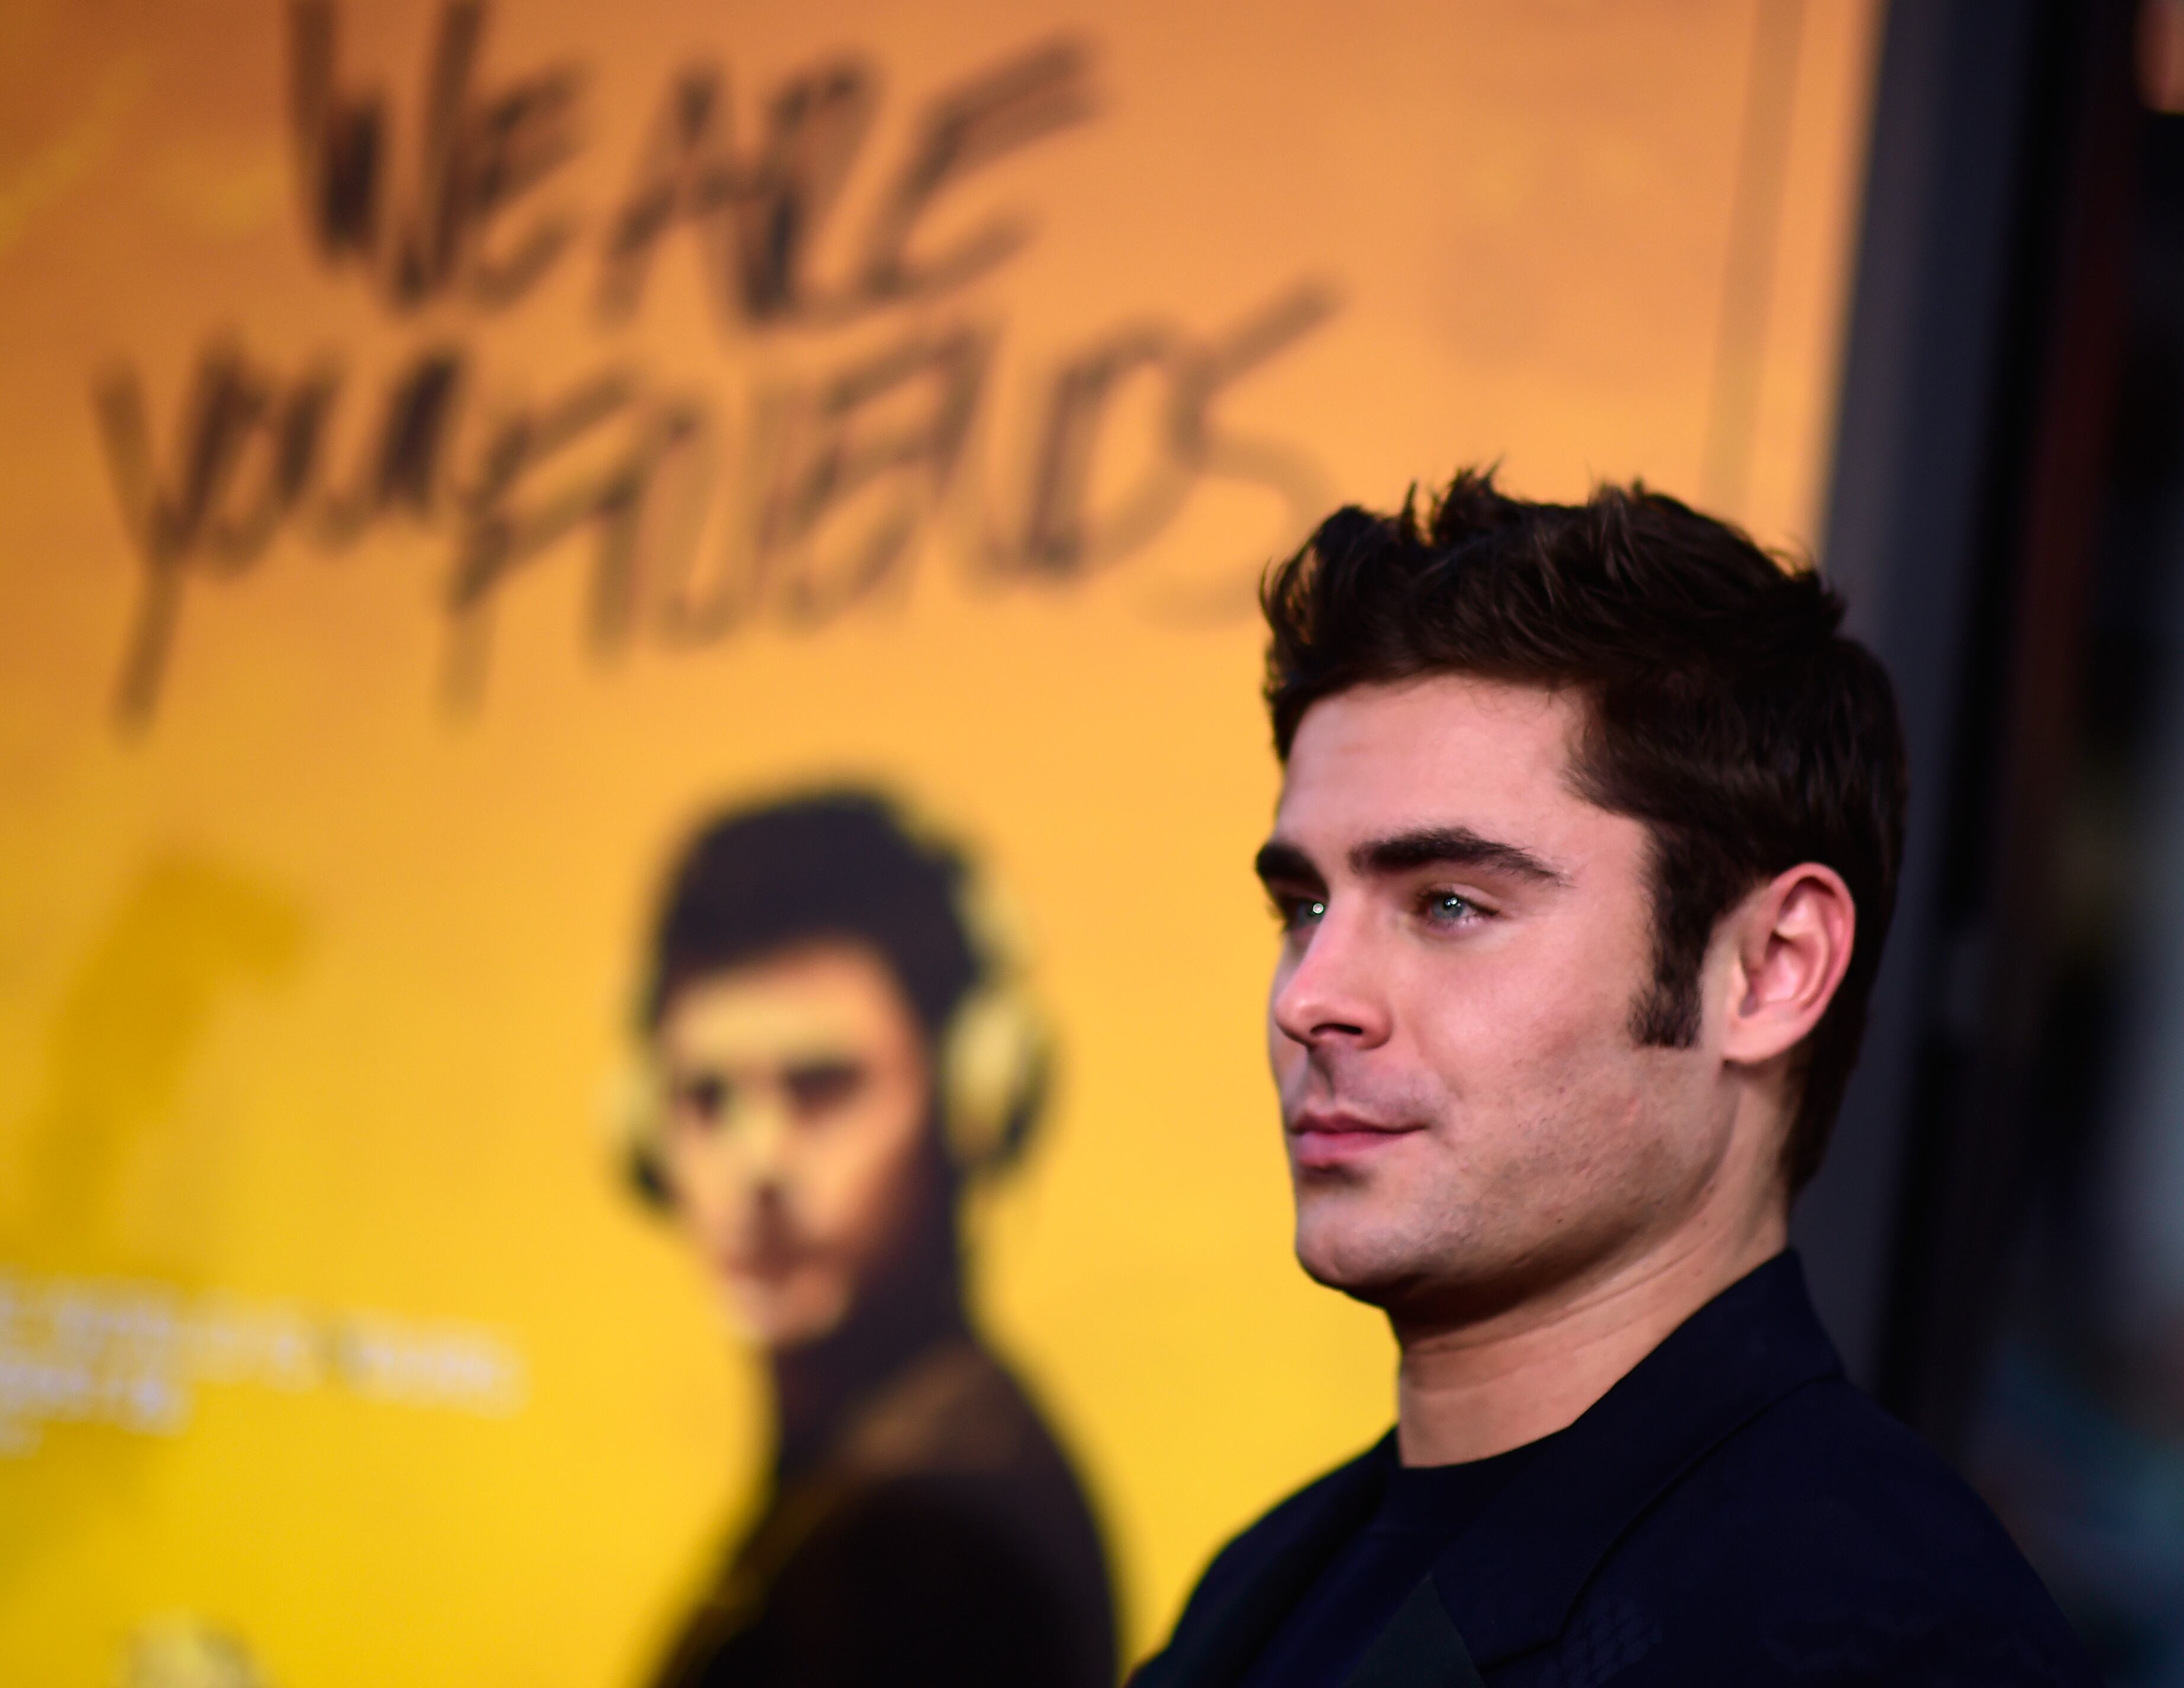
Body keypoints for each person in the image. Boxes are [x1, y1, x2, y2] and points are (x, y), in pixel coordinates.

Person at [1132, 475, 2094, 1687]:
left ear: (1770, 971)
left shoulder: (1874, 1638)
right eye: (1304, 906)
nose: (1309, 997)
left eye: (1449, 904)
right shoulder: (1265, 1584)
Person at [627, 790, 1117, 1688]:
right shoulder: (871, 1480)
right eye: (707, 1101)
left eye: (822, 1088)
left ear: (973, 1103)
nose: (757, 1163)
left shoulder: (937, 1543)